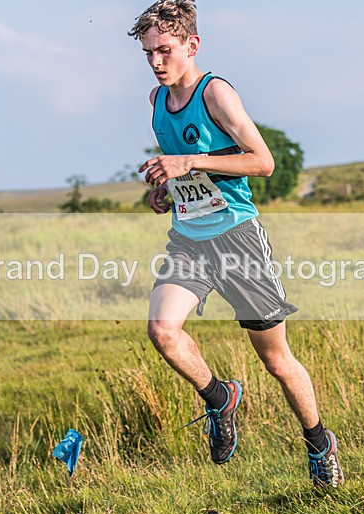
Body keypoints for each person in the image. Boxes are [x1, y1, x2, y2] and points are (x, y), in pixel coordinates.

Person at [128, 0, 343, 489]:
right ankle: (219, 397)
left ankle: (318, 442)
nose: (156, 61)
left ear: (192, 45)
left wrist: (190, 164)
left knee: (276, 361)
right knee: (162, 332)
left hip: (237, 241)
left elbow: (262, 162)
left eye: (164, 50)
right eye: (148, 54)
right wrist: (167, 189)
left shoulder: (216, 94)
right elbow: (184, 167)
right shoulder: (156, 101)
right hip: (189, 240)